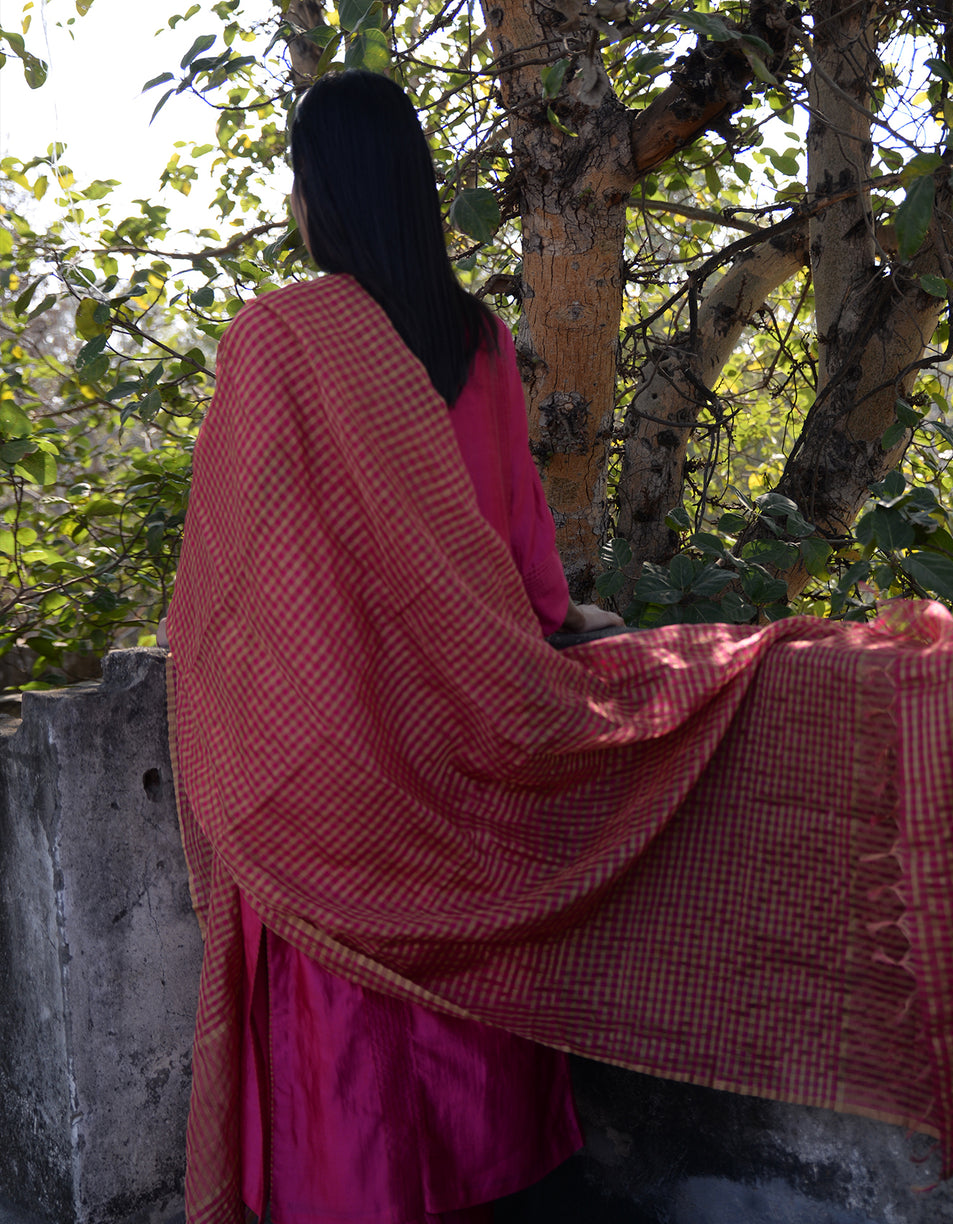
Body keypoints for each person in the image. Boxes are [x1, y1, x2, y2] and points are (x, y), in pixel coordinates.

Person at [169, 69, 621, 1224]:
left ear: (323, 191)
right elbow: (529, 565)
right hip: (472, 743)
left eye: (296, 175)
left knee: (353, 1049)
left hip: (337, 756)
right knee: (467, 1014)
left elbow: (238, 571)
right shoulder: (478, 337)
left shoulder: (279, 340)